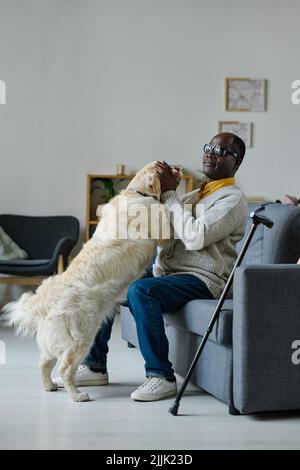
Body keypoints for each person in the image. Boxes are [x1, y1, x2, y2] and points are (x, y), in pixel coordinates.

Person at [54, 132, 248, 401]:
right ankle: (95, 365)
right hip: (171, 271)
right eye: (208, 147)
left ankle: (161, 376)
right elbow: (168, 226)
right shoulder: (196, 195)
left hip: (205, 279)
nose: (210, 153)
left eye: (221, 151)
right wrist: (156, 188)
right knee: (108, 282)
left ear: (236, 164)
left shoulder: (232, 200)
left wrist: (169, 193)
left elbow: (195, 236)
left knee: (142, 291)